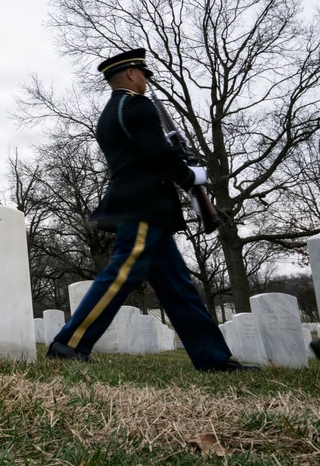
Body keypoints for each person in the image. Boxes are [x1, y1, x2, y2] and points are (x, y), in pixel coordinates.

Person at [46, 48, 255, 371]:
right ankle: (68, 343)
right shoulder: (137, 105)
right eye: (143, 74)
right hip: (143, 206)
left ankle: (213, 358)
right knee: (121, 274)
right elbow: (157, 155)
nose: (146, 80)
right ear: (130, 73)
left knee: (179, 288)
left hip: (143, 207)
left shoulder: (110, 112)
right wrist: (190, 175)